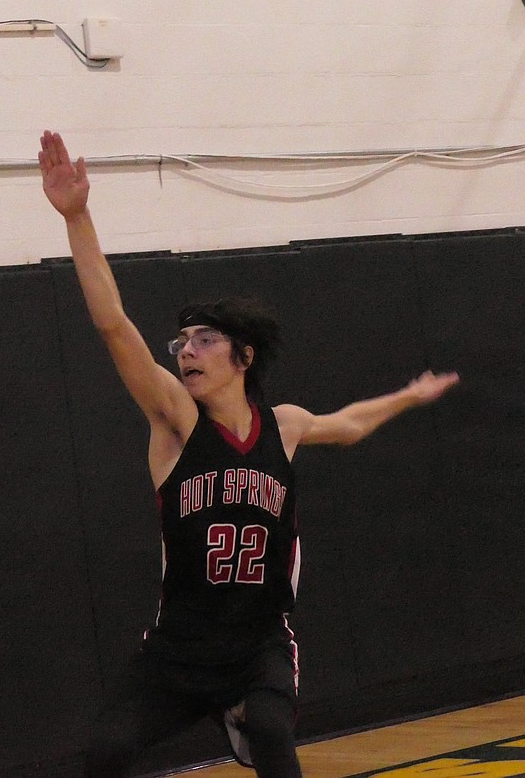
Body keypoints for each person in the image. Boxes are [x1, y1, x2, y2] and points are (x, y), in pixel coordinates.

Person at [39, 130, 459, 778]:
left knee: (269, 729)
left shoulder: (282, 426)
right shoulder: (176, 422)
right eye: (182, 341)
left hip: (259, 643)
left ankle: (242, 715)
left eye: (205, 340)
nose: (186, 351)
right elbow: (114, 325)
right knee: (108, 750)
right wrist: (78, 216)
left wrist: (407, 397)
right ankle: (218, 713)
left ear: (244, 355)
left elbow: (347, 426)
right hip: (178, 648)